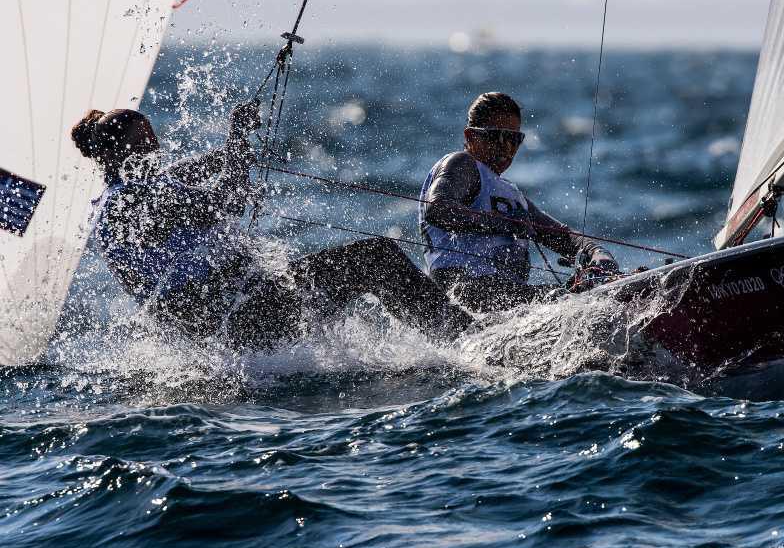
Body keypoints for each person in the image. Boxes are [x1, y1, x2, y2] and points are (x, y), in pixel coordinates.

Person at [74, 103, 471, 349]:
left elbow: (201, 169)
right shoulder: (134, 201)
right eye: (147, 143)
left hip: (236, 314)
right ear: (121, 152)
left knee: (356, 263)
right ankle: (466, 340)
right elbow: (228, 201)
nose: (157, 149)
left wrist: (233, 149)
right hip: (237, 324)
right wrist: (235, 140)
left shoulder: (126, 195)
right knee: (375, 258)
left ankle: (455, 333)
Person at [419, 92, 619, 313]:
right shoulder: (462, 164)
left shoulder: (511, 194)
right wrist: (504, 223)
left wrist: (597, 252)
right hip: (466, 295)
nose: (507, 148)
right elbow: (437, 209)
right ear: (471, 136)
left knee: (572, 293)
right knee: (565, 299)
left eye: (514, 139)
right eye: (498, 137)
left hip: (506, 302)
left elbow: (563, 236)